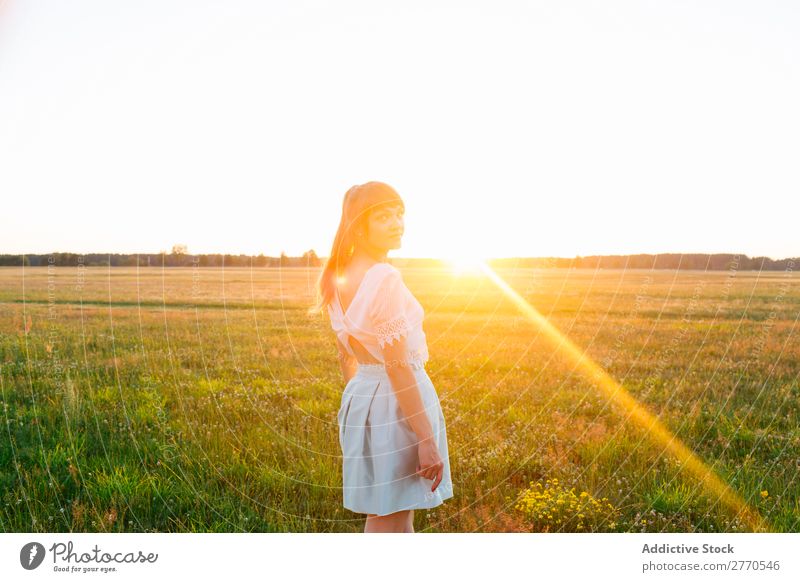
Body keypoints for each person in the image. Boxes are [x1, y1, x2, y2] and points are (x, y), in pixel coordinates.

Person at [310, 181, 454, 532]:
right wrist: (425, 440)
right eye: (384, 216)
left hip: (362, 399)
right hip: (397, 405)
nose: (397, 223)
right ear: (360, 226)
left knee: (386, 513)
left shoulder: (336, 276)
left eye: (399, 214)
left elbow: (347, 355)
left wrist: (364, 403)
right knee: (394, 515)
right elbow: (398, 366)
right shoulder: (384, 277)